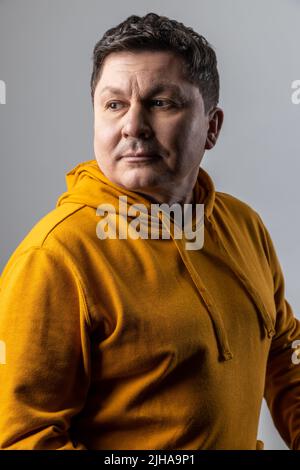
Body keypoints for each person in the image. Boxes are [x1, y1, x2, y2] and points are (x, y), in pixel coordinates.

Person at [0, 12, 299, 451]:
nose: (133, 126)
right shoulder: (55, 256)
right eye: (115, 104)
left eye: (161, 103)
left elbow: (284, 351)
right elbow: (22, 438)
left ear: (211, 127)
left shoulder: (243, 225)